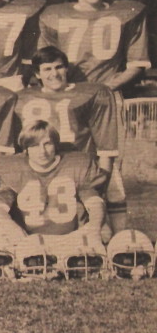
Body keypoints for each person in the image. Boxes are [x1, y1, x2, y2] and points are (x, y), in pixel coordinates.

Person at [15, 45, 121, 233]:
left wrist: (102, 181)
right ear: (37, 74)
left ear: (67, 69)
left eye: (58, 67)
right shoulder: (22, 98)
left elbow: (106, 146)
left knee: (109, 211)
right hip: (42, 170)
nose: (54, 74)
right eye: (47, 69)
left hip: (81, 170)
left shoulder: (90, 93)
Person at [38, 0, 148, 91]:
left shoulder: (126, 14)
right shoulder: (54, 16)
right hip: (69, 93)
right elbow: (45, 65)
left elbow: (137, 64)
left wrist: (106, 88)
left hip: (110, 93)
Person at [0, 120, 107, 238]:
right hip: (27, 240)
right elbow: (0, 208)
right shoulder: (12, 167)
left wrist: (95, 227)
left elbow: (94, 203)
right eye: (34, 145)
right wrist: (8, 224)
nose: (42, 151)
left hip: (71, 238)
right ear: (26, 148)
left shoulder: (77, 164)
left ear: (56, 144)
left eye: (47, 144)